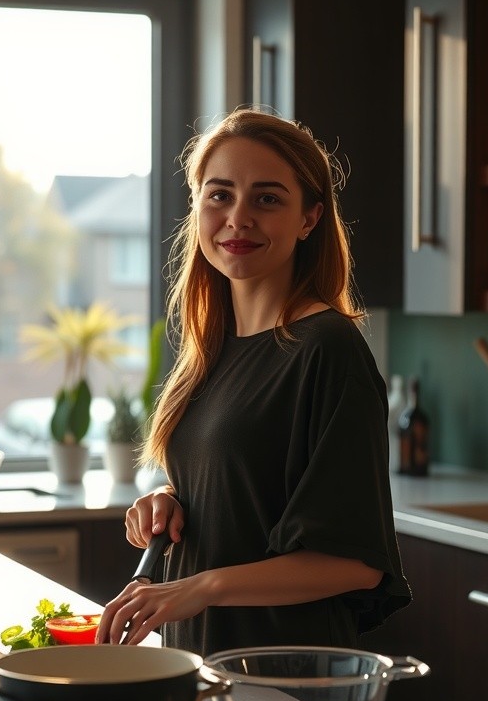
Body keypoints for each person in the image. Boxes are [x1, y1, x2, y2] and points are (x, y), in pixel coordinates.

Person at [96, 107, 411, 655]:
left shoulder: (328, 348)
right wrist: (172, 500)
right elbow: (249, 489)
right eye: (219, 195)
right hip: (202, 662)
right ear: (196, 207)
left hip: (284, 673)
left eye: (267, 199)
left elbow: (355, 563)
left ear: (310, 218)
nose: (238, 218)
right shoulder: (212, 349)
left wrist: (201, 587)